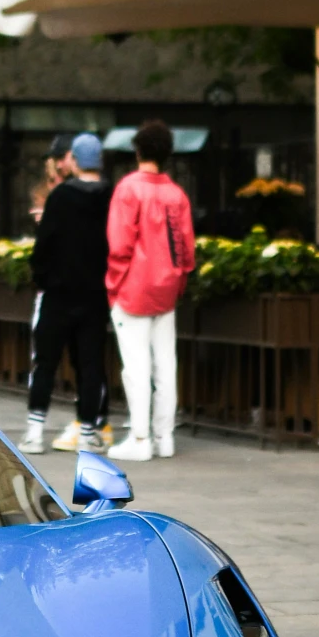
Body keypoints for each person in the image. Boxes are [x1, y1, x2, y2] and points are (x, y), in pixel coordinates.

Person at [105, 120, 195, 462]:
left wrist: (113, 286)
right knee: (165, 364)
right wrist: (178, 283)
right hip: (167, 290)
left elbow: (119, 244)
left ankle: (140, 438)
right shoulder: (177, 194)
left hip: (134, 289)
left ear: (138, 151)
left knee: (136, 366)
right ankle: (164, 436)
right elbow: (187, 251)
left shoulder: (128, 189)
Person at [20, 134, 111, 455]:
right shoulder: (110, 196)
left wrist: (42, 278)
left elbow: (44, 244)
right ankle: (88, 431)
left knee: (45, 361)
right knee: (89, 363)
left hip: (58, 292)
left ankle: (34, 430)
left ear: (75, 161)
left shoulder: (60, 197)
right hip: (95, 293)